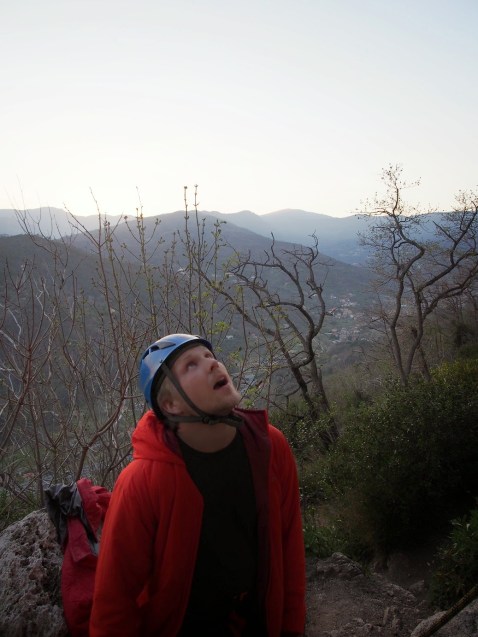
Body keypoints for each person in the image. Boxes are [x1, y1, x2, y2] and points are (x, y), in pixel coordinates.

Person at [90, 333, 306, 636]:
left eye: (209, 356)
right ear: (171, 404)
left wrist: (292, 628)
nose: (213, 364)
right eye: (191, 365)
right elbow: (114, 602)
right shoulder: (142, 482)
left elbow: (290, 546)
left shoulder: (270, 446)